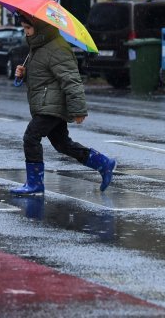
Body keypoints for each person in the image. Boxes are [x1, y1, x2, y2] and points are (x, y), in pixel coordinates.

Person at [9, 12, 116, 196]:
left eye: (28, 28)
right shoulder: (38, 46)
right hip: (47, 102)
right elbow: (44, 77)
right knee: (62, 144)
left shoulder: (56, 48)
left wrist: (78, 109)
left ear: (40, 27)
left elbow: (71, 80)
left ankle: (35, 184)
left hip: (52, 105)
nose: (26, 32)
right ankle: (103, 163)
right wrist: (24, 74)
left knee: (31, 137)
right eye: (24, 28)